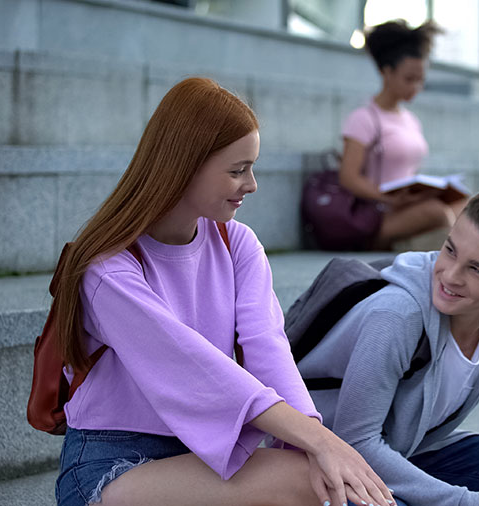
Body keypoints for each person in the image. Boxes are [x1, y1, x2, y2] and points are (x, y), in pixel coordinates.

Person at [50, 77, 394, 506]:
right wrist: (323, 444)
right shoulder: (108, 267)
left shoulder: (238, 244)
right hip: (113, 465)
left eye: (251, 167)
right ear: (183, 165)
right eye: (237, 170)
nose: (251, 184)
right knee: (313, 476)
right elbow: (193, 368)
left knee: (321, 478)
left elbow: (267, 348)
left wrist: (314, 442)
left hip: (202, 457)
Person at [298, 185, 479, 506]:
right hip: (335, 459)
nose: (450, 276)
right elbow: (355, 440)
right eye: (450, 250)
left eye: (476, 269)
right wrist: (466, 501)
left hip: (412, 450)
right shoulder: (397, 315)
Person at [338, 19, 466, 250]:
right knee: (437, 213)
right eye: (409, 79)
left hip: (407, 208)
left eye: (420, 80)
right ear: (386, 72)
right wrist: (386, 197)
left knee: (472, 207)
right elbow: (349, 177)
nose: (415, 87)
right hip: (377, 216)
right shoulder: (363, 118)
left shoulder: (411, 120)